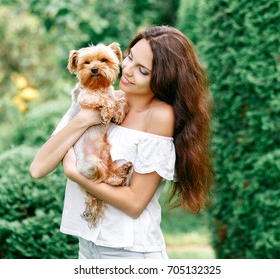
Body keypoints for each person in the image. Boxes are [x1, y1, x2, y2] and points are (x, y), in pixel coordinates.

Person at [29, 25, 213, 259]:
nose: (127, 70)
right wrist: (83, 120)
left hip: (131, 254)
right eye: (129, 58)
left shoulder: (159, 116)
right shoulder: (98, 101)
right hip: (87, 248)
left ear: (163, 78)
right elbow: (38, 168)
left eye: (142, 71)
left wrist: (75, 173)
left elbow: (135, 203)